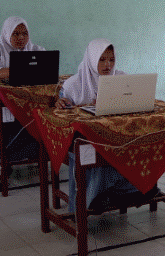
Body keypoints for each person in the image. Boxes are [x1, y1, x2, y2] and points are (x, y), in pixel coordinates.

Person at [56, 39, 148, 212]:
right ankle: (100, 197)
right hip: (86, 139)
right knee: (93, 151)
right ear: (91, 59)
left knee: (133, 146)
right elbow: (63, 111)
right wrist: (61, 102)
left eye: (111, 60)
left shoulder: (121, 79)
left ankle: (102, 196)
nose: (108, 65)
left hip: (115, 137)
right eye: (102, 59)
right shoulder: (74, 84)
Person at [0, 17, 44, 181]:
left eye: (25, 33)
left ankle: (31, 153)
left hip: (29, 103)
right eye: (16, 33)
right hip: (3, 105)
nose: (21, 38)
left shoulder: (35, 49)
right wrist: (15, 69)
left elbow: (47, 69)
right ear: (7, 33)